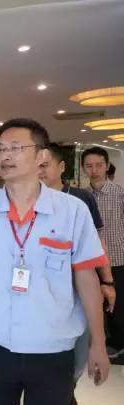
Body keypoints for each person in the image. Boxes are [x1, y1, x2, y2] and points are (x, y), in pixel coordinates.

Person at [0, 118, 110, 405]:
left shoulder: (71, 211)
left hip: (52, 345)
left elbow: (87, 278)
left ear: (41, 156)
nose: (5, 156)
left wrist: (98, 344)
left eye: (16, 148)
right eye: (0, 149)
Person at [38, 142, 117, 405]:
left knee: (76, 352)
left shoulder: (80, 200)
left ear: (62, 167)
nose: (39, 171)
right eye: (36, 166)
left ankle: (66, 395)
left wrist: (107, 280)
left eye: (45, 165)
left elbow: (98, 242)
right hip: (42, 289)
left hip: (78, 284)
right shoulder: (26, 199)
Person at [82, 146, 124, 359]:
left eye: (99, 165)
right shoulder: (81, 197)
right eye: (89, 166)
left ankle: (118, 343)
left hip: (117, 258)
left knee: (118, 305)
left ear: (107, 166)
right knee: (92, 302)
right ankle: (97, 341)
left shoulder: (120, 194)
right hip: (89, 261)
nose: (94, 170)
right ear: (83, 168)